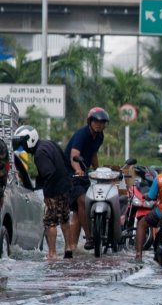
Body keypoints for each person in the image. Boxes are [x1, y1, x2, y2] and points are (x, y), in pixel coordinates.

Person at [14, 125, 77, 260]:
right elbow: (65, 161)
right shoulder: (49, 143)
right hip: (65, 185)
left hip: (54, 189)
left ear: (30, 140)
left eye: (23, 144)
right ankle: (68, 248)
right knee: (64, 217)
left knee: (50, 222)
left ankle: (52, 254)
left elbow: (49, 174)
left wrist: (47, 196)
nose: (23, 148)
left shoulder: (39, 153)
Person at [66, 107, 109, 251]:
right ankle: (90, 237)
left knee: (78, 213)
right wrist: (78, 170)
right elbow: (74, 156)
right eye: (96, 121)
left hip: (85, 174)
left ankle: (71, 249)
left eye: (102, 122)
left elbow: (93, 155)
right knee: (83, 201)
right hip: (71, 174)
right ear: (90, 121)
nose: (99, 124)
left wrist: (99, 171)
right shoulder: (82, 134)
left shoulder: (100, 136)